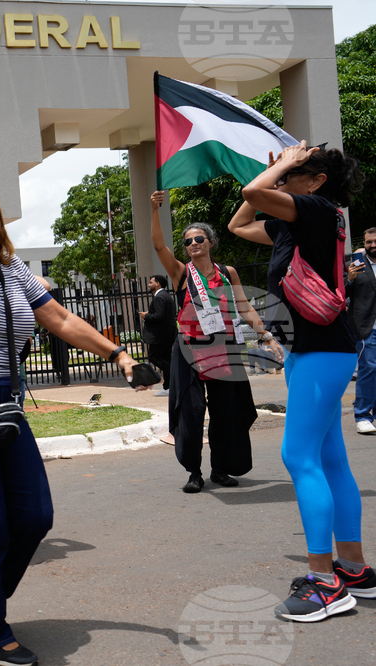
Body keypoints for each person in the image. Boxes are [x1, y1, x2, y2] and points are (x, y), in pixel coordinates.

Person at [0, 71, 147, 666]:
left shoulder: (17, 274)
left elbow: (63, 322)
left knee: (35, 515)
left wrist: (119, 355)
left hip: (3, 404)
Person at [231, 142, 373, 621]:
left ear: (315, 182)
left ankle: (325, 584)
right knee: (330, 458)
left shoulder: (313, 208)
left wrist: (281, 168)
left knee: (299, 456)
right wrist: (279, 171)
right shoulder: (297, 221)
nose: (284, 176)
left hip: (321, 348)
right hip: (309, 350)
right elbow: (237, 223)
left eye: (298, 171)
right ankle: (352, 568)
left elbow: (253, 189)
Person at [150, 190, 280, 494]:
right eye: (188, 241)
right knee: (191, 410)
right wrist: (155, 210)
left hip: (223, 346)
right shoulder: (181, 273)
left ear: (210, 243)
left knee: (226, 410)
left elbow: (244, 307)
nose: (193, 244)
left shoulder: (227, 272)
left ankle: (220, 468)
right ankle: (194, 472)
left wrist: (266, 335)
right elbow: (158, 245)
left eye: (199, 239)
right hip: (189, 347)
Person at [346, 228, 376, 433]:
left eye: (375, 241)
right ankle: (363, 415)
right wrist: (349, 278)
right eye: (368, 242)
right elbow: (343, 292)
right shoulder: (357, 263)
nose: (372, 245)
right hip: (367, 326)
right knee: (369, 368)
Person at [138, 275, 176, 396]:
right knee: (165, 358)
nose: (149, 285)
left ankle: (172, 372)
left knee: (154, 357)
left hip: (160, 335)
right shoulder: (165, 296)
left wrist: (145, 316)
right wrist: (150, 313)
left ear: (157, 284)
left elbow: (159, 316)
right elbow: (162, 314)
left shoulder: (159, 297)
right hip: (167, 334)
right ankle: (168, 387)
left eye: (151, 282)